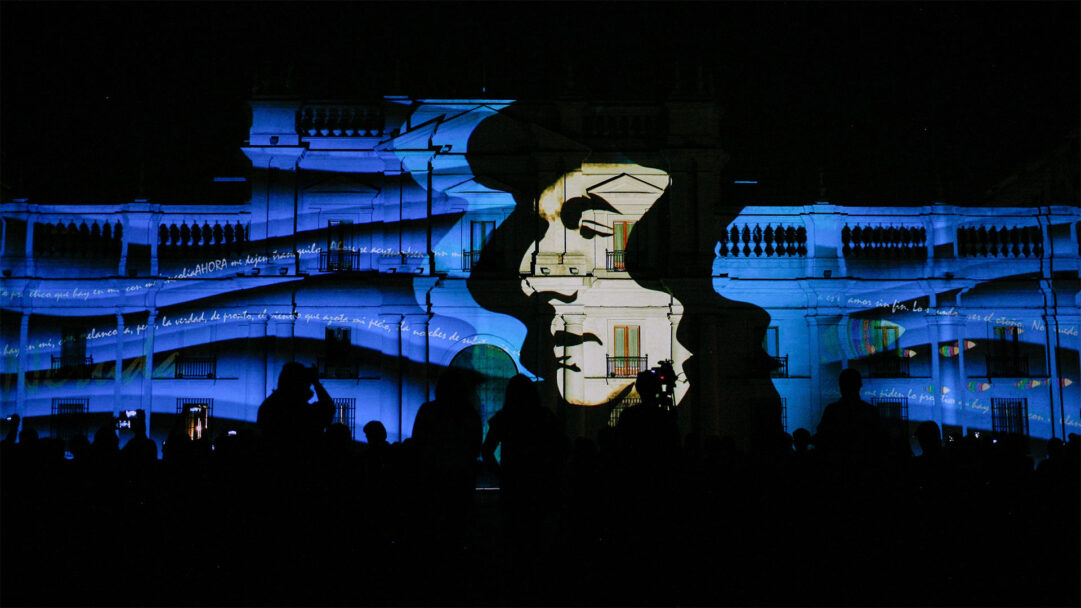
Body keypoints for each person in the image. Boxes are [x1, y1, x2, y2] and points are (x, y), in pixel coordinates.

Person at [257, 362, 334, 451]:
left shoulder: (269, 406)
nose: (309, 387)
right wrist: (316, 383)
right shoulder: (301, 411)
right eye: (307, 384)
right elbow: (328, 409)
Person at [814, 368, 882, 463]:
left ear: (840, 387)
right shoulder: (870, 411)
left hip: (838, 466)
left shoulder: (832, 410)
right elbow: (878, 441)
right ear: (859, 386)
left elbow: (823, 438)